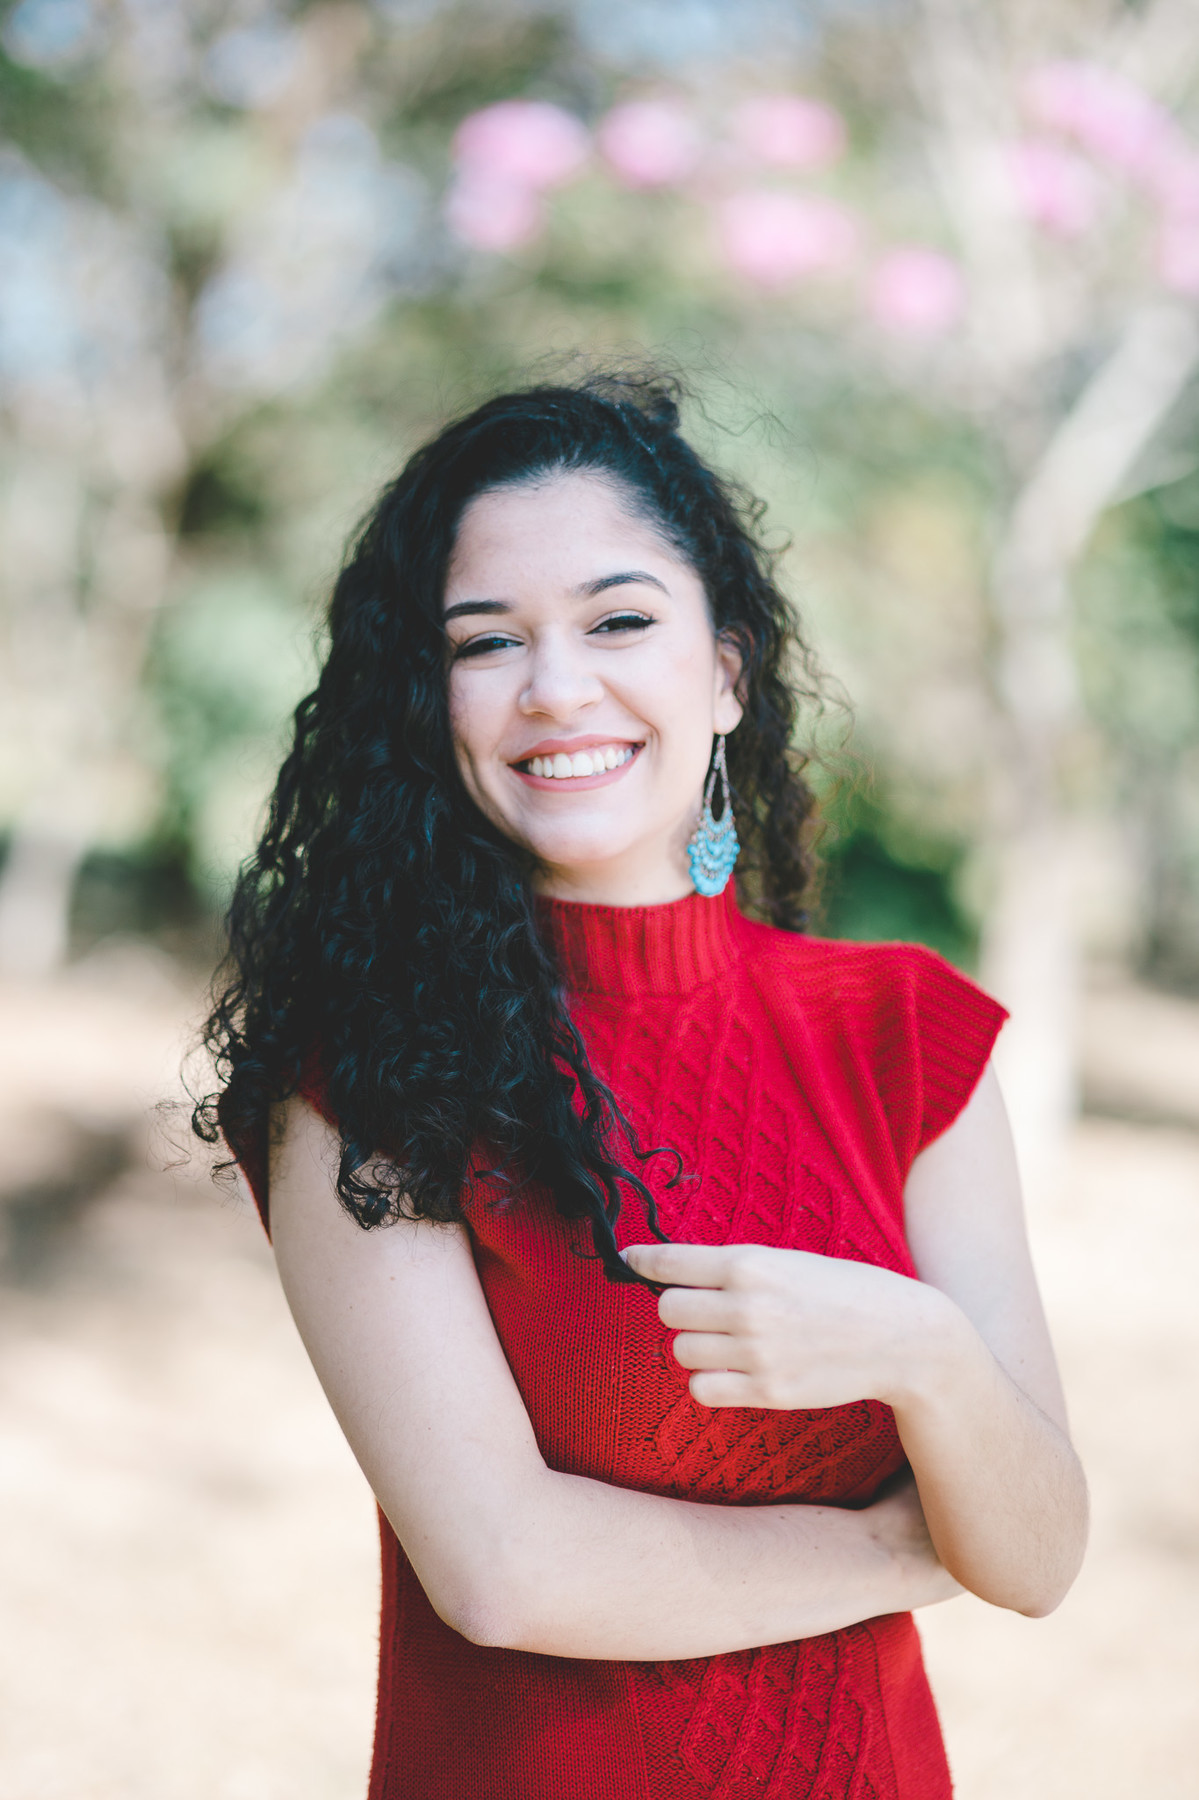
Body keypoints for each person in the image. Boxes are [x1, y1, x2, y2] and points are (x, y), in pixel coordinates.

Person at [198, 374, 1088, 1800]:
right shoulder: (360, 1071)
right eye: (487, 642)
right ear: (433, 707)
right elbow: (502, 1569)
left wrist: (927, 1354)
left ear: (725, 672)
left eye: (619, 620)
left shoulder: (907, 1035)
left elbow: (1037, 1558)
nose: (558, 686)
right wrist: (901, 1543)